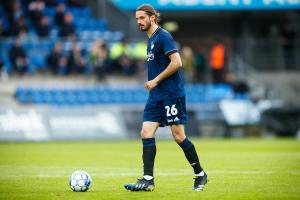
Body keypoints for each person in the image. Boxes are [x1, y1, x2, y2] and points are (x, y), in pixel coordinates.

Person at [124, 4, 208, 192]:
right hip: (156, 96)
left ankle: (200, 174)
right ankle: (147, 179)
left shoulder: (163, 36)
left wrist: (155, 80)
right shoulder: (150, 40)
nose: (139, 21)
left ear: (152, 17)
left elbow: (177, 62)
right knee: (146, 132)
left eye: (142, 18)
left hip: (171, 94)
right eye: (137, 18)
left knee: (178, 137)